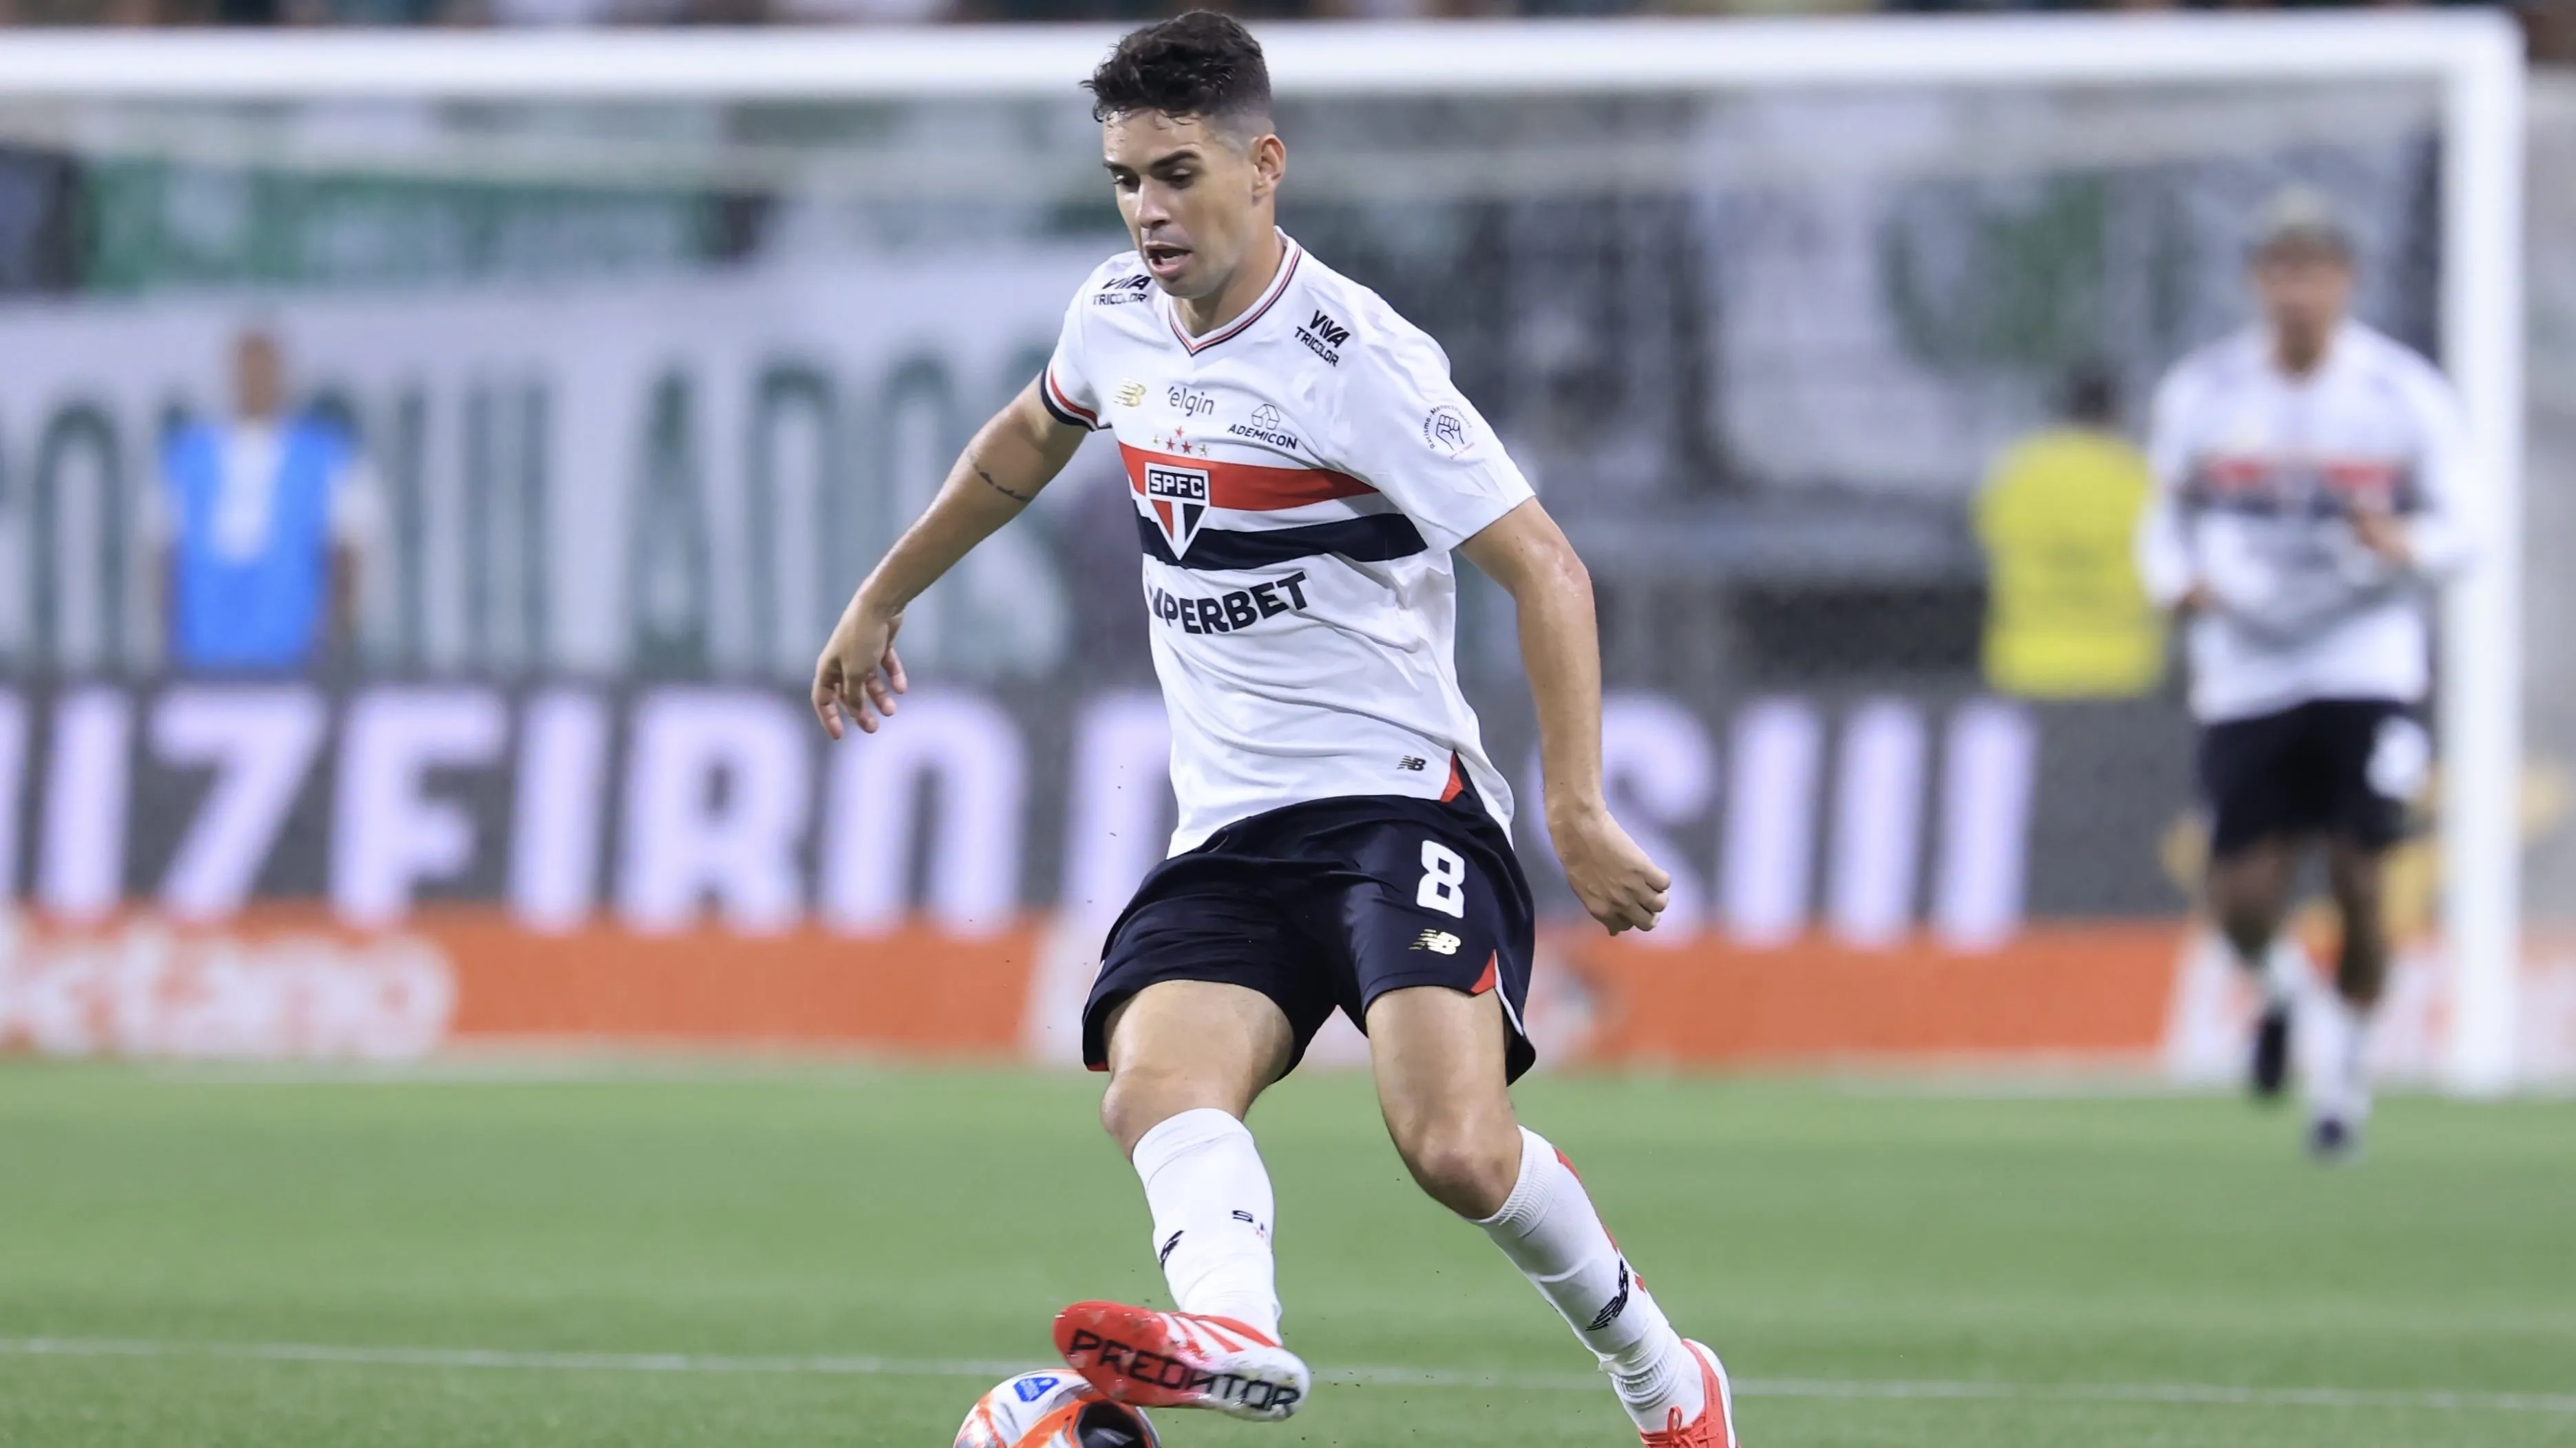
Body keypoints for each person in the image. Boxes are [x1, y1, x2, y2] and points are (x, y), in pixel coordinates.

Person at [811, 14, 1734, 1445]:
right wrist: (882, 597)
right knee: (1151, 1085)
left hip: (1398, 809)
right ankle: (1238, 1331)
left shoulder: (1353, 355)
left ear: (1264, 163)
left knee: (1452, 1146)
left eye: (1176, 174)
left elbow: (1545, 566)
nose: (1147, 210)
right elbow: (1019, 444)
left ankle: (1664, 1377)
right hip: (1232, 826)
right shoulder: (1112, 312)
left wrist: (1570, 805)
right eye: (1123, 178)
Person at [2135, 188, 2471, 1160]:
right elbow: (2162, 516)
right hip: (2245, 670)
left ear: (2344, 280)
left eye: (2314, 268)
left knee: (2365, 882)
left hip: (2363, 664)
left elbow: (2469, 525)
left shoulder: (2398, 395)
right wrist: (2173, 580)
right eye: (2280, 267)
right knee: (2239, 902)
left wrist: (2404, 540)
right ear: (2256, 278)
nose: (2297, 288)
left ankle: (2343, 1088)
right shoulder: (2204, 394)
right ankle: (2284, 998)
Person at [155, 328, 379, 674]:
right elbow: (165, 556)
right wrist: (169, 643)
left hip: (294, 655)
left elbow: (347, 555)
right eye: (247, 368)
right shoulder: (188, 456)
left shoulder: (326, 455)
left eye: (265, 368)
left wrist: (336, 638)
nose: (256, 379)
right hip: (201, 655)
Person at [1974, 361, 2163, 699]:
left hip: (2028, 659)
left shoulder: (2018, 472)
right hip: (2120, 665)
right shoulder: (2139, 477)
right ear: (2116, 412)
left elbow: (1988, 536)